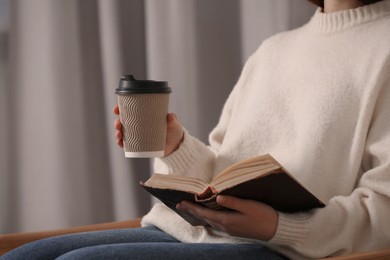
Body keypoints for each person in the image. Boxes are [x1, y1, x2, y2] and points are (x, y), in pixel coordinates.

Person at [2, 0, 389, 259]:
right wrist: (177, 148)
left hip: (283, 249)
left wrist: (279, 227)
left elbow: (383, 213)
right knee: (22, 256)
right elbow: (221, 174)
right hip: (193, 230)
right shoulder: (275, 50)